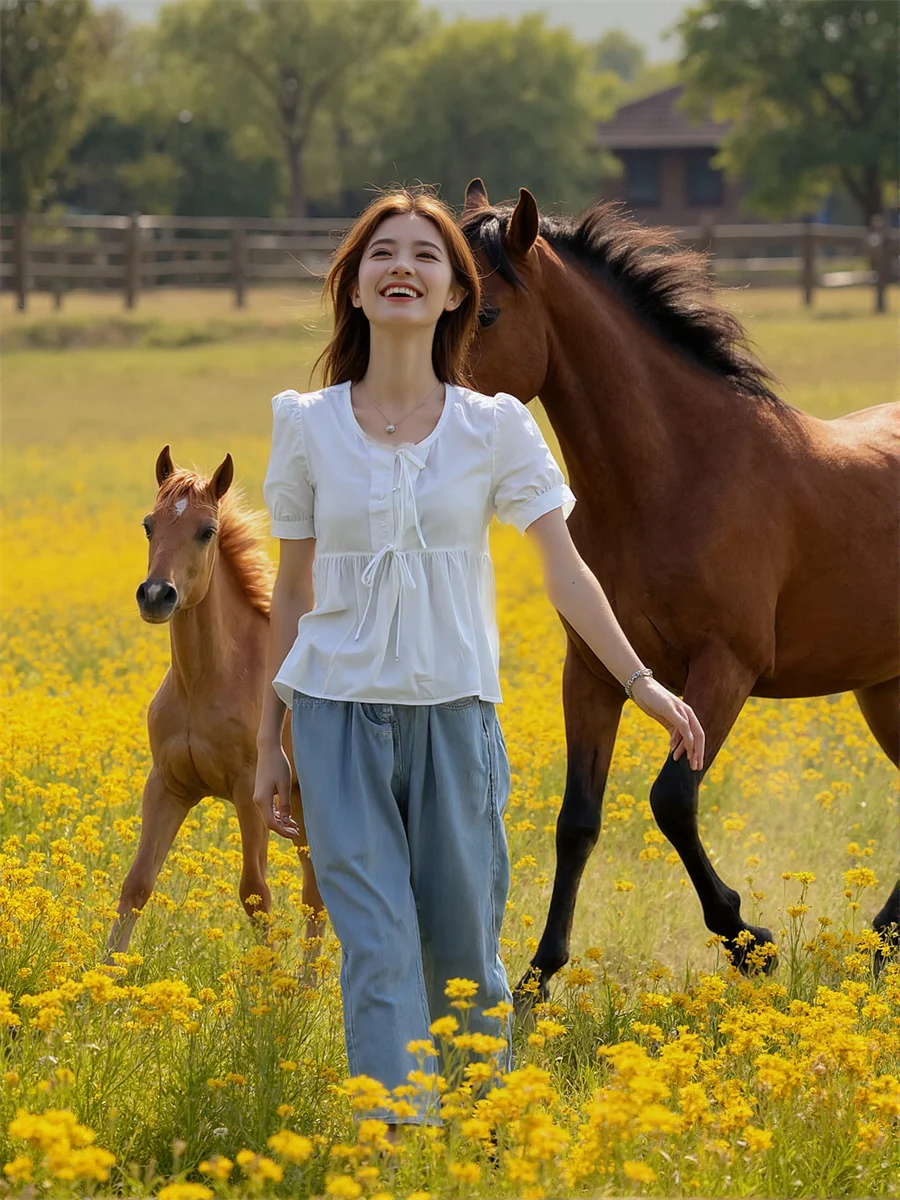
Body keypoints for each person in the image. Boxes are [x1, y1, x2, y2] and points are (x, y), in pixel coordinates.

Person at [253, 186, 705, 1131]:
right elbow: (292, 594)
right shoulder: (305, 423)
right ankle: (395, 1143)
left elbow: (567, 571)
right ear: (354, 286)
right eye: (382, 253)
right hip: (335, 720)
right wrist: (270, 743)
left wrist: (642, 683)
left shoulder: (494, 427)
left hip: (456, 720)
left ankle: (478, 1137)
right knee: (375, 948)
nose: (403, 267)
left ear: (458, 291)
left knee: (463, 954)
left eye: (426, 254)